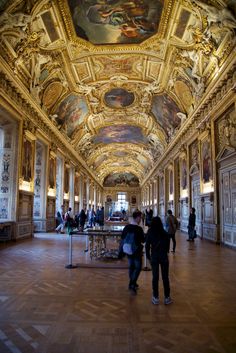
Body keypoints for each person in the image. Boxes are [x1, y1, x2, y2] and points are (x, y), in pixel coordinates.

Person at [146, 217, 172, 305]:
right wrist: (166, 251)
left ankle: (155, 297)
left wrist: (148, 257)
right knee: (165, 277)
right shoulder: (164, 232)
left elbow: (147, 246)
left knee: (155, 277)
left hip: (155, 256)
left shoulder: (150, 232)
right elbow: (168, 244)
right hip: (163, 256)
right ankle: (167, 297)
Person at [121, 210, 145, 295]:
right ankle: (132, 283)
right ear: (137, 217)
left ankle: (133, 283)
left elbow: (122, 237)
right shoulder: (139, 229)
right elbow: (143, 240)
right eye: (140, 218)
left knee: (131, 266)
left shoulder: (127, 227)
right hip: (136, 251)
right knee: (138, 267)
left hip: (127, 249)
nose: (141, 219)